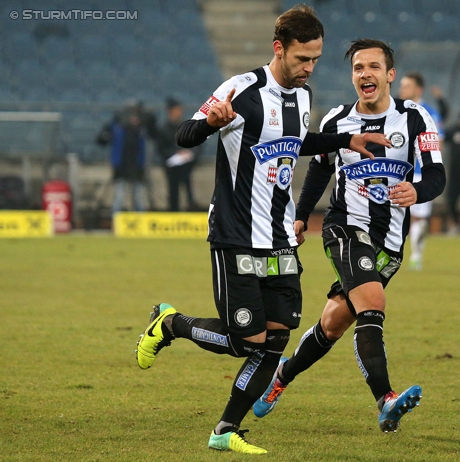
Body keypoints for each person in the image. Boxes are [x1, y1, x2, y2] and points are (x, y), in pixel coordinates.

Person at [133, 5, 390, 455]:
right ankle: (169, 324)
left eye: (315, 60)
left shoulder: (303, 96)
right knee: (243, 341)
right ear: (279, 48)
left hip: (279, 236)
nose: (308, 69)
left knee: (274, 340)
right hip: (234, 233)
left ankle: (225, 429)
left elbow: (296, 142)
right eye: (301, 60)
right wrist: (211, 124)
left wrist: (346, 140)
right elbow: (184, 133)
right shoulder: (242, 89)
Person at [252, 39, 446, 434]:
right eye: (358, 68)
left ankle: (280, 378)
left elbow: (438, 175)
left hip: (390, 241)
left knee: (333, 324)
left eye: (374, 67)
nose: (365, 74)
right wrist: (303, 216)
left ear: (390, 75)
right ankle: (386, 400)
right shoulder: (336, 121)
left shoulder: (416, 118)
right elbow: (320, 171)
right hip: (344, 228)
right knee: (373, 303)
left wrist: (418, 191)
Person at [398, 72, 448, 269]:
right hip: (397, 171)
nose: (402, 89)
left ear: (418, 89)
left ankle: (416, 255)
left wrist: (431, 171)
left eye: (406, 86)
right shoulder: (395, 110)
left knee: (417, 216)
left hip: (418, 172)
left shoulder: (429, 113)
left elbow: (438, 143)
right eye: (401, 85)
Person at [96, 103, 147, 214]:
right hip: (121, 167)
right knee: (119, 197)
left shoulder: (140, 130)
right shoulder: (117, 128)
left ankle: (141, 224)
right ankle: (117, 223)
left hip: (136, 167)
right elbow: (101, 140)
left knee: (138, 198)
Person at [155, 97, 199, 211]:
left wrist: (190, 153)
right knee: (173, 190)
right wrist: (175, 153)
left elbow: (197, 143)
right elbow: (161, 148)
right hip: (171, 165)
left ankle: (191, 208)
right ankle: (174, 211)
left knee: (188, 187)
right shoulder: (164, 129)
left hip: (186, 164)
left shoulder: (187, 125)